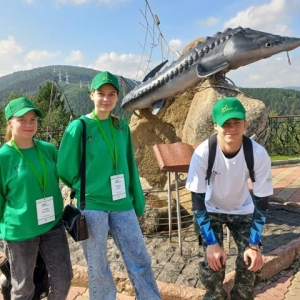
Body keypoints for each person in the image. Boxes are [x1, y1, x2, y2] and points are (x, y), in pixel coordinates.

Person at [57, 71, 161, 300]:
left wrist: (139, 203)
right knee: (99, 265)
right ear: (91, 95)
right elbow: (64, 167)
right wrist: (85, 184)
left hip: (123, 203)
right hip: (93, 205)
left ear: (117, 97)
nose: (106, 99)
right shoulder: (80, 127)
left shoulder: (120, 126)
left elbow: (129, 166)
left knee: (140, 258)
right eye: (101, 94)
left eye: (111, 94)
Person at [185, 97, 273, 300]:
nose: (231, 129)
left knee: (252, 265)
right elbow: (197, 201)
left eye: (236, 122)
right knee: (212, 264)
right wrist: (211, 244)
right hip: (210, 209)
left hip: (242, 209)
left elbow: (262, 202)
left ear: (245, 124)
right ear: (215, 126)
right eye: (225, 123)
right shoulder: (204, 153)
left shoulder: (258, 154)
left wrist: (254, 245)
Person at [0, 97, 73, 300]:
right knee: (24, 288)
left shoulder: (48, 149)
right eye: (22, 119)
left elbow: (69, 173)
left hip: (53, 225)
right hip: (20, 232)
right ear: (9, 123)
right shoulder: (3, 158)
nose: (29, 124)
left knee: (64, 279)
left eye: (33, 119)